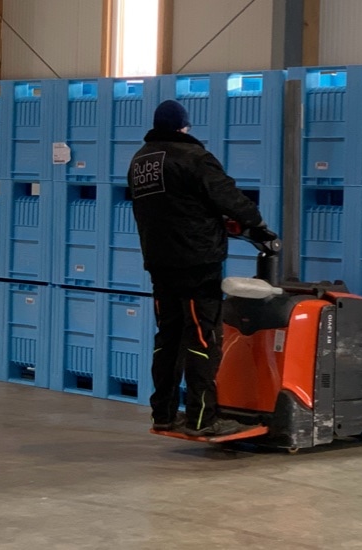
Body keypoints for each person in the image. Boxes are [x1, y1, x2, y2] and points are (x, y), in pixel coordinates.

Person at [127, 99, 275, 437]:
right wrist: (257, 224)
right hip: (197, 262)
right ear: (183, 127)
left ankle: (162, 414)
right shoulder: (193, 157)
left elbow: (169, 204)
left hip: (159, 262)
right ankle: (201, 419)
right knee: (203, 337)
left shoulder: (140, 160)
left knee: (168, 336)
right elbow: (228, 197)